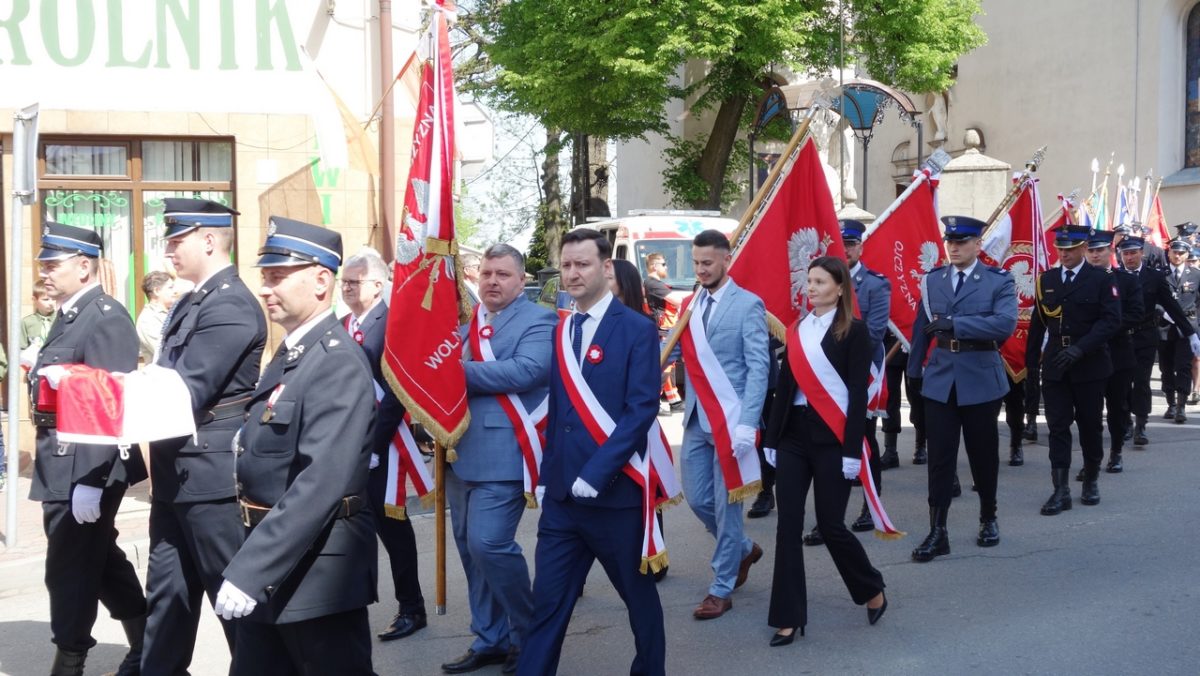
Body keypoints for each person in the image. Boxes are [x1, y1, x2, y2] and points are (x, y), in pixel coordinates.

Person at [216, 216, 377, 675]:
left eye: (277, 277)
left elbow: (320, 482)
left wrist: (251, 570)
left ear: (322, 281)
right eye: (265, 276)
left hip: (318, 573)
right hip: (275, 559)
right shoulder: (294, 354)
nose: (265, 289)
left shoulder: (336, 362)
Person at [517, 228, 665, 676]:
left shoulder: (637, 329)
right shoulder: (564, 328)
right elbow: (558, 411)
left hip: (615, 497)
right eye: (566, 265)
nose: (572, 273)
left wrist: (597, 472)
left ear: (606, 267)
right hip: (563, 501)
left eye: (582, 264)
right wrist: (547, 477)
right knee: (547, 605)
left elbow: (641, 410)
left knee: (639, 601)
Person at [142, 198, 268, 673]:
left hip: (212, 480)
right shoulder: (192, 300)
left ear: (210, 240)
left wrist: (105, 395)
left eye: (178, 240)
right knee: (166, 605)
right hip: (175, 475)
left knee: (235, 607)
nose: (168, 250)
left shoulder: (230, 304)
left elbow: (185, 387)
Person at [28, 223, 148, 676]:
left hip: (84, 464)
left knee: (68, 568)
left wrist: (93, 481)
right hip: (61, 458)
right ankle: (149, 643)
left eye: (52, 265)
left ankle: (70, 659)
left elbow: (109, 406)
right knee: (98, 560)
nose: (44, 273)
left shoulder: (105, 317)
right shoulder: (71, 313)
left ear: (83, 266)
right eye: (43, 265)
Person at [441, 244, 556, 675]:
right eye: (487, 273)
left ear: (521, 280)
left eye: (503, 274)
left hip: (505, 452)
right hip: (457, 450)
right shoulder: (468, 322)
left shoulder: (539, 320)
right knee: (470, 551)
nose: (492, 281)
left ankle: (530, 632)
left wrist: (452, 372)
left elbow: (526, 370)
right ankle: (490, 637)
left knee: (488, 544)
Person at [762, 256, 887, 646]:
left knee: (831, 526)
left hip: (834, 437)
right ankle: (787, 617)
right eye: (810, 281)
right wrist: (771, 439)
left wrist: (852, 449)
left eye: (820, 282)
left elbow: (857, 395)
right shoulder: (797, 330)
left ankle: (871, 587)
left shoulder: (855, 332)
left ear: (840, 288)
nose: (811, 287)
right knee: (787, 526)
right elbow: (785, 389)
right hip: (794, 437)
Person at [670, 229, 770, 620]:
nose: (700, 270)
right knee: (698, 499)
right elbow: (674, 352)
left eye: (707, 263)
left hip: (731, 422)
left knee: (727, 507)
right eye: (696, 263)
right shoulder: (689, 305)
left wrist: (748, 423)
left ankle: (721, 587)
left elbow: (758, 368)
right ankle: (743, 549)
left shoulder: (748, 304)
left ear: (727, 260)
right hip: (697, 418)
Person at [908, 216, 1017, 561]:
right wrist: (913, 372)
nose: (954, 248)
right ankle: (937, 530)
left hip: (980, 376)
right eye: (950, 242)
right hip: (940, 378)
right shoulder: (933, 280)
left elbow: (1004, 324)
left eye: (962, 242)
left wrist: (956, 324)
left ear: (977, 245)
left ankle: (988, 517)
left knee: (982, 454)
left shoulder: (998, 280)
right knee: (940, 458)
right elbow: (920, 328)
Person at [339, 248, 429, 643]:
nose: (346, 288)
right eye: (344, 282)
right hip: (346, 444)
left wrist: (374, 445)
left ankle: (412, 607)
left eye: (354, 282)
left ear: (377, 285)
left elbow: (397, 390)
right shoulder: (342, 325)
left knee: (392, 528)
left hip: (384, 446)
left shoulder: (392, 324)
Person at [1027, 224, 1122, 515]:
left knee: (1090, 425)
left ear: (1083, 248)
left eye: (1070, 249)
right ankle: (1060, 490)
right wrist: (1030, 364)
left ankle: (1090, 479)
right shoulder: (1047, 280)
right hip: (1056, 363)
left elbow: (1111, 321)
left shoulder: (1101, 279)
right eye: (1060, 249)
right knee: (1057, 426)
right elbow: (1038, 324)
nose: (1064, 254)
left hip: (1089, 364)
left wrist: (1080, 349)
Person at [1119, 235, 1199, 446]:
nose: (1129, 257)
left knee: (1141, 382)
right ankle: (1126, 422)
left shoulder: (1154, 277)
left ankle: (1140, 425)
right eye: (1125, 254)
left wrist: (1190, 333)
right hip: (1120, 338)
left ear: (1141, 253)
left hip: (1145, 336)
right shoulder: (1113, 276)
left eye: (1133, 253)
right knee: (1122, 383)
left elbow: (1172, 306)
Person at [1081, 231, 1143, 475]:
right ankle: (1091, 460)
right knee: (1089, 412)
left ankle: (1116, 451)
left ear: (1110, 251)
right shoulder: (1080, 281)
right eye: (1091, 250)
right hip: (1089, 354)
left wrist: (1104, 328)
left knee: (1117, 408)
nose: (1095, 255)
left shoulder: (1126, 280)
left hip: (1117, 352)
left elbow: (1136, 314)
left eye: (1100, 250)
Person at [1158, 238, 1200, 423]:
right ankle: (1171, 404)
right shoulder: (1159, 274)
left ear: (1187, 254)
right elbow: (1152, 299)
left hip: (1187, 327)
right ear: (1169, 253)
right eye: (1174, 252)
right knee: (1166, 367)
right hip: (1165, 326)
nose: (1177, 256)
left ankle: (1181, 406)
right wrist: (1162, 312)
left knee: (1183, 366)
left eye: (1181, 253)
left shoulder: (1195, 275)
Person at [644, 252, 683, 414]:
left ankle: (673, 401)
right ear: (654, 266)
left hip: (666, 329)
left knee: (666, 366)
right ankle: (653, 402)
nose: (666, 267)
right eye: (664, 264)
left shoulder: (655, 284)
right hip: (662, 330)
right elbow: (678, 301)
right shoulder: (653, 283)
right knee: (661, 367)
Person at [135, 270, 176, 362]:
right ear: (157, 291)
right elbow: (164, 351)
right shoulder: (148, 320)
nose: (175, 291)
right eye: (170, 287)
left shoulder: (172, 312)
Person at [20, 279, 56, 349]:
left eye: (53, 299)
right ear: (34, 299)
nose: (51, 303)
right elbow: (21, 348)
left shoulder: (61, 319)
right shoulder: (26, 322)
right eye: (46, 299)